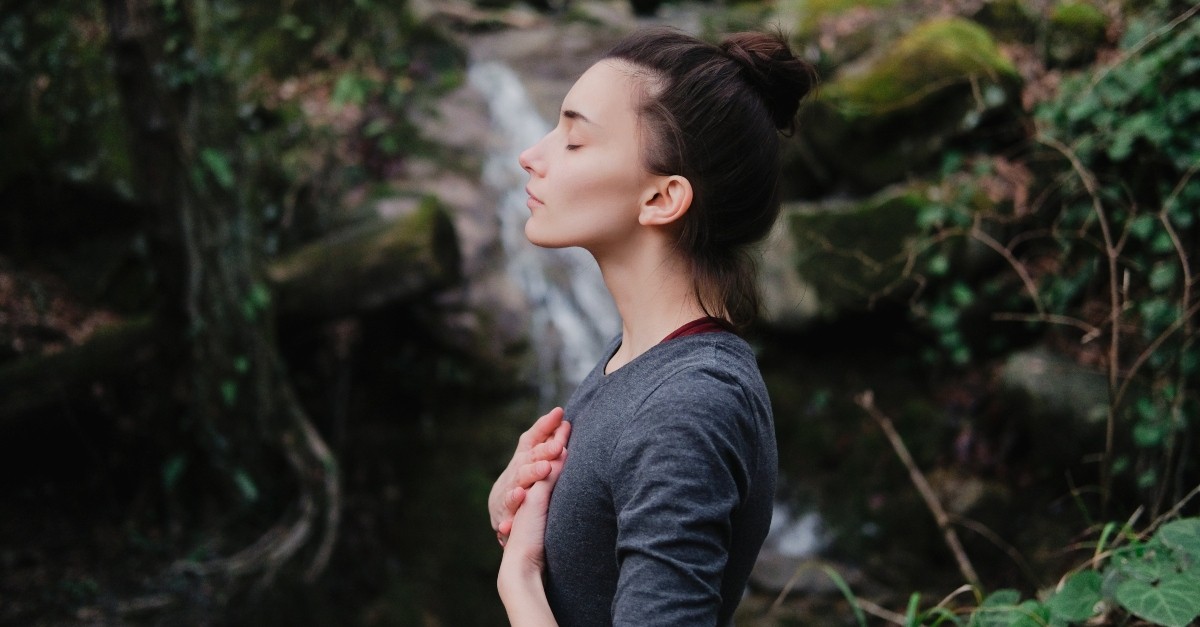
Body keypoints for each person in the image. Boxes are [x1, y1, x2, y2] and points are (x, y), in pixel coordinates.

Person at [488, 27, 818, 626]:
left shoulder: (688, 404)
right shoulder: (639, 360)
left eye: (575, 140)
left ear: (663, 199)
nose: (531, 154)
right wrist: (517, 514)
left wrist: (521, 584)